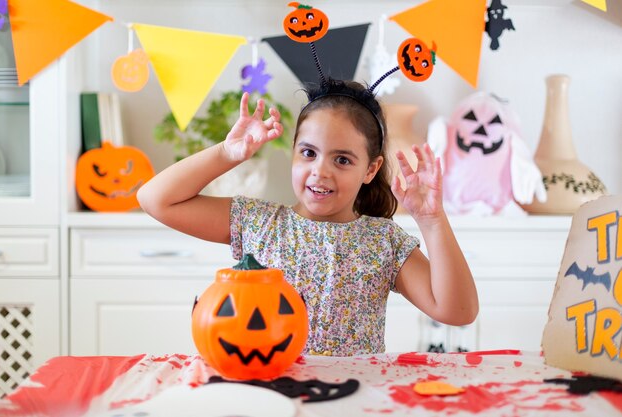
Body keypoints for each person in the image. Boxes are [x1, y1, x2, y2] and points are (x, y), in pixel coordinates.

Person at [138, 79, 478, 356]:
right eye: (309, 153)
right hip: (269, 392)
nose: (320, 171)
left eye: (342, 160)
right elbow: (155, 199)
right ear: (293, 153)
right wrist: (227, 153)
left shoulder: (383, 241)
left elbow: (458, 311)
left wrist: (432, 219)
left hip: (355, 400)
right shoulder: (257, 222)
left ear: (370, 169)